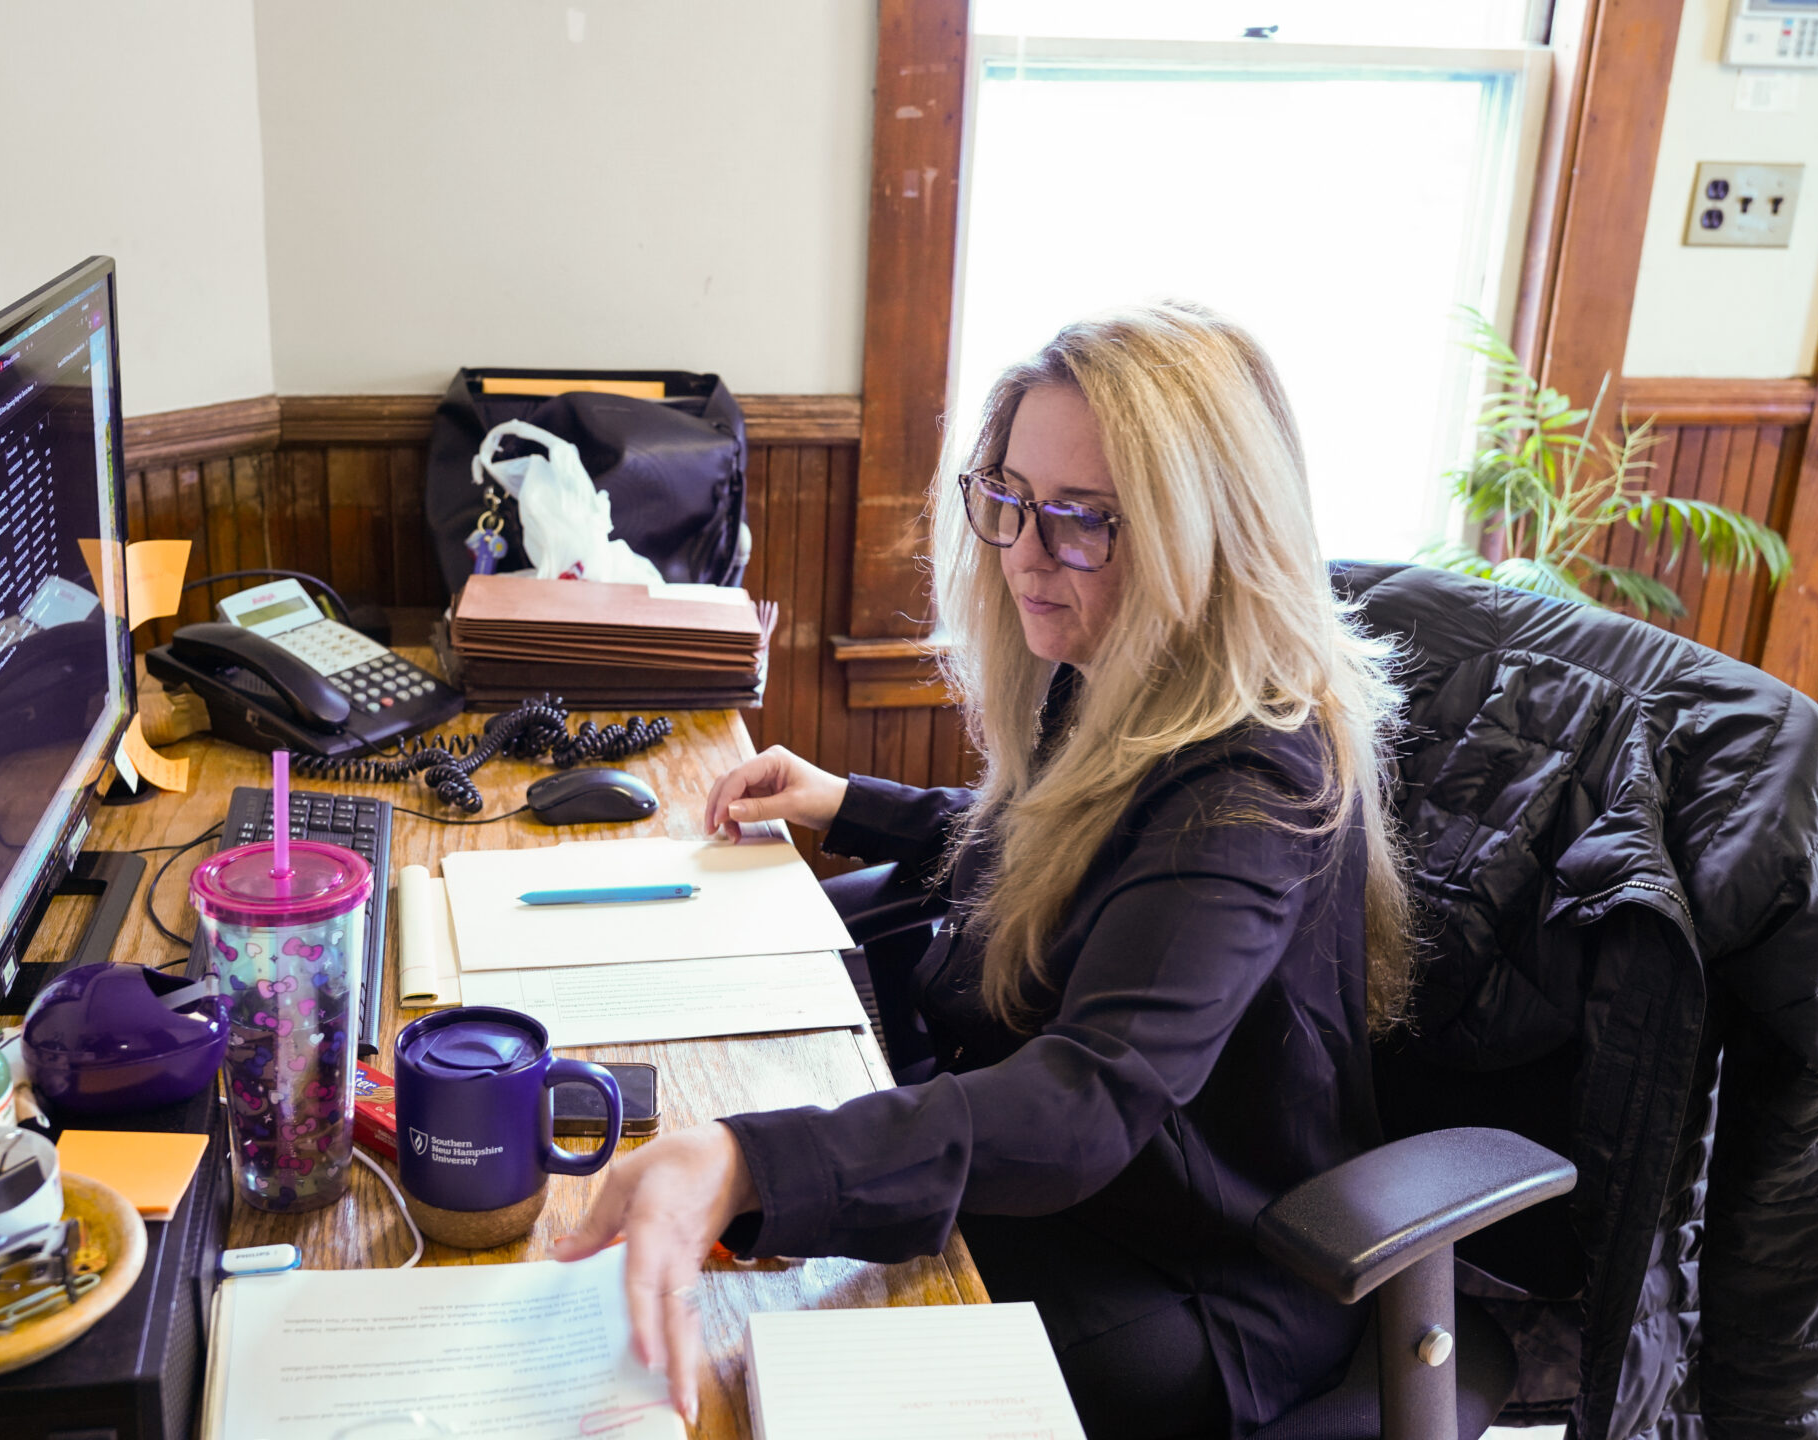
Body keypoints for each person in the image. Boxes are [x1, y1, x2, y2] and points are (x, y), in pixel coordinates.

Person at [550, 301, 1416, 1439]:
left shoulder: (1250, 788)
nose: (1020, 554)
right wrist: (858, 803)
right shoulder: (1115, 666)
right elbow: (1073, 841)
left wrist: (749, 1164)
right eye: (1006, 497)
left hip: (1179, 1280)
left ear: (1211, 532)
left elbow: (1087, 1099)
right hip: (1058, 1197)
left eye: (1082, 520)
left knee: (735, 1361)